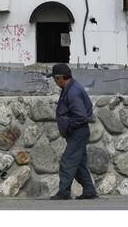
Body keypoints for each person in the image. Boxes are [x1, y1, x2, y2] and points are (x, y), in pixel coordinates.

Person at [50, 64, 97, 201]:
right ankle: (89, 190)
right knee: (79, 164)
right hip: (77, 132)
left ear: (60, 78)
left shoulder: (72, 92)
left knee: (67, 161)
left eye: (54, 78)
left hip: (78, 132)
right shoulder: (70, 88)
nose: (54, 82)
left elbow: (80, 116)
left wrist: (69, 127)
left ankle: (64, 192)